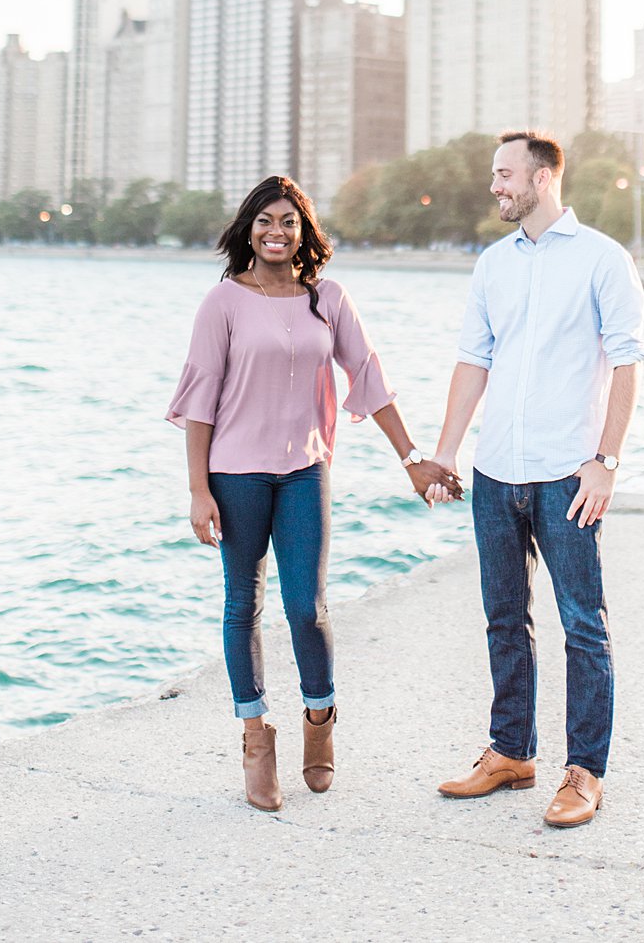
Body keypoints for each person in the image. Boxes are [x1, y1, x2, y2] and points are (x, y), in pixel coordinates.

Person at [166, 174, 461, 813]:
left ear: (305, 232)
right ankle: (255, 741)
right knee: (242, 603)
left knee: (308, 606)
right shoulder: (223, 302)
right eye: (265, 221)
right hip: (235, 474)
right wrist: (197, 490)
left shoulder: (327, 299)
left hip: (305, 470)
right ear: (248, 228)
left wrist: (411, 457)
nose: (276, 232)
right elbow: (199, 401)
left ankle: (319, 719)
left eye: (289, 221)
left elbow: (369, 375)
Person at [429, 130, 644, 828]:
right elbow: (473, 361)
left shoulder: (602, 260)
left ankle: (585, 771)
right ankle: (511, 752)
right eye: (495, 176)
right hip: (497, 473)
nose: (495, 186)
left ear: (544, 177)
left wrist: (605, 462)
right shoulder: (492, 264)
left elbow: (627, 363)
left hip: (566, 475)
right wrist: (446, 452)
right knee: (503, 619)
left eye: (505, 174)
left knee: (583, 625)